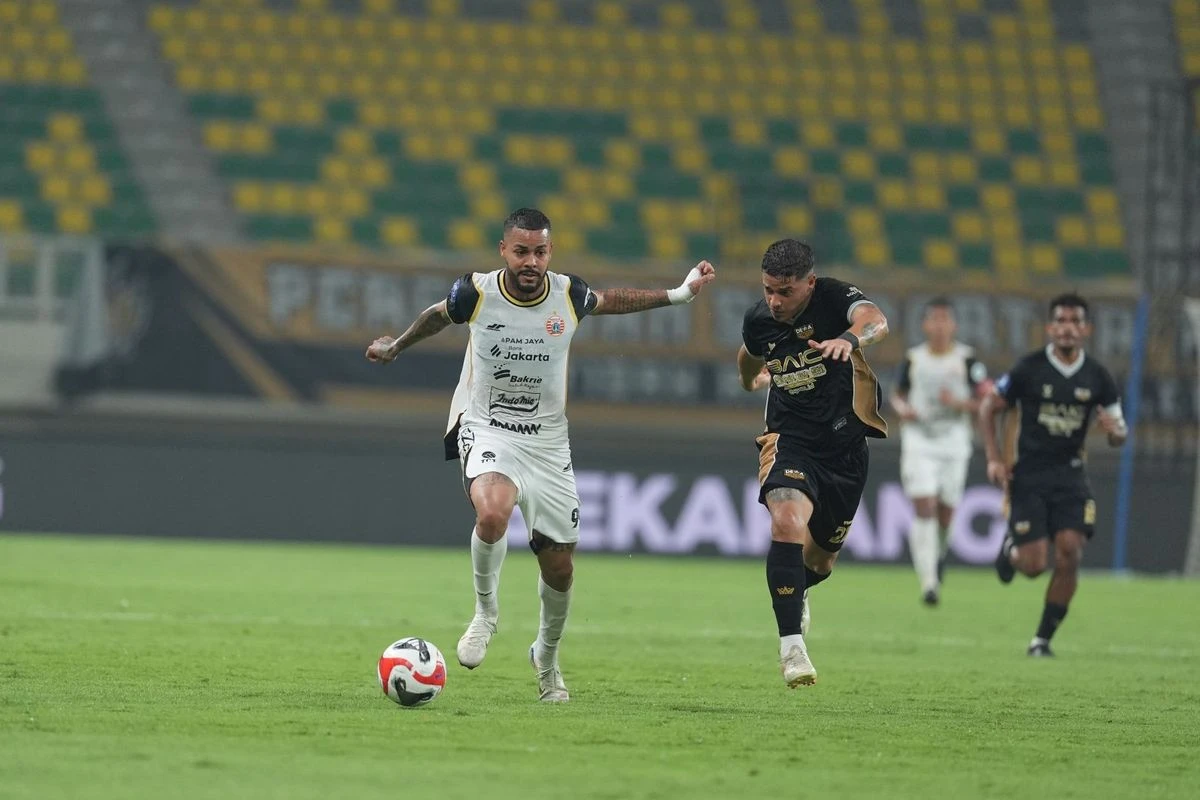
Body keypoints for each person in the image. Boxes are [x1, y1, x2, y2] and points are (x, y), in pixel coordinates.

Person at [366, 207, 716, 701]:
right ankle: (486, 614)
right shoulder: (476, 292)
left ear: (550, 252)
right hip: (488, 426)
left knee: (559, 567)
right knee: (493, 513)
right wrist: (396, 346)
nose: (531, 261)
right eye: (521, 251)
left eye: (540, 252)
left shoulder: (568, 295)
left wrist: (679, 294)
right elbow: (437, 315)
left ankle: (546, 659)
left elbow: (611, 300)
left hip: (548, 443)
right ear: (503, 251)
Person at [736, 239, 889, 687]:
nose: (774, 301)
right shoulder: (759, 319)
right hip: (790, 440)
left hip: (845, 448)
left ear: (810, 284)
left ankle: (798, 590)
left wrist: (848, 339)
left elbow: (876, 320)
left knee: (820, 562)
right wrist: (750, 379)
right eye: (768, 289)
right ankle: (792, 649)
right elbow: (748, 353)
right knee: (786, 522)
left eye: (785, 291)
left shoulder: (836, 299)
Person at [979, 292, 1127, 657]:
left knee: (1070, 552)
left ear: (1087, 329)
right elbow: (989, 407)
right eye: (1061, 320)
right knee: (1033, 566)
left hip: (1071, 476)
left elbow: (1119, 432)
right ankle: (1012, 549)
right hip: (1029, 475)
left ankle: (1041, 640)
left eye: (1076, 321)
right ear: (1049, 327)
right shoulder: (1029, 369)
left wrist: (1114, 432)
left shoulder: (1098, 377)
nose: (1068, 328)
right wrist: (994, 458)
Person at [890, 298, 989, 606]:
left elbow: (987, 399)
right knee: (925, 505)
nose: (940, 325)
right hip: (919, 439)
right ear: (925, 324)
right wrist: (903, 409)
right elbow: (897, 394)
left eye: (945, 319)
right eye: (934, 319)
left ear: (954, 325)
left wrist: (959, 403)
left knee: (946, 513)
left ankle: (939, 554)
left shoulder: (967, 360)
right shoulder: (914, 359)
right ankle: (929, 582)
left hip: (954, 441)